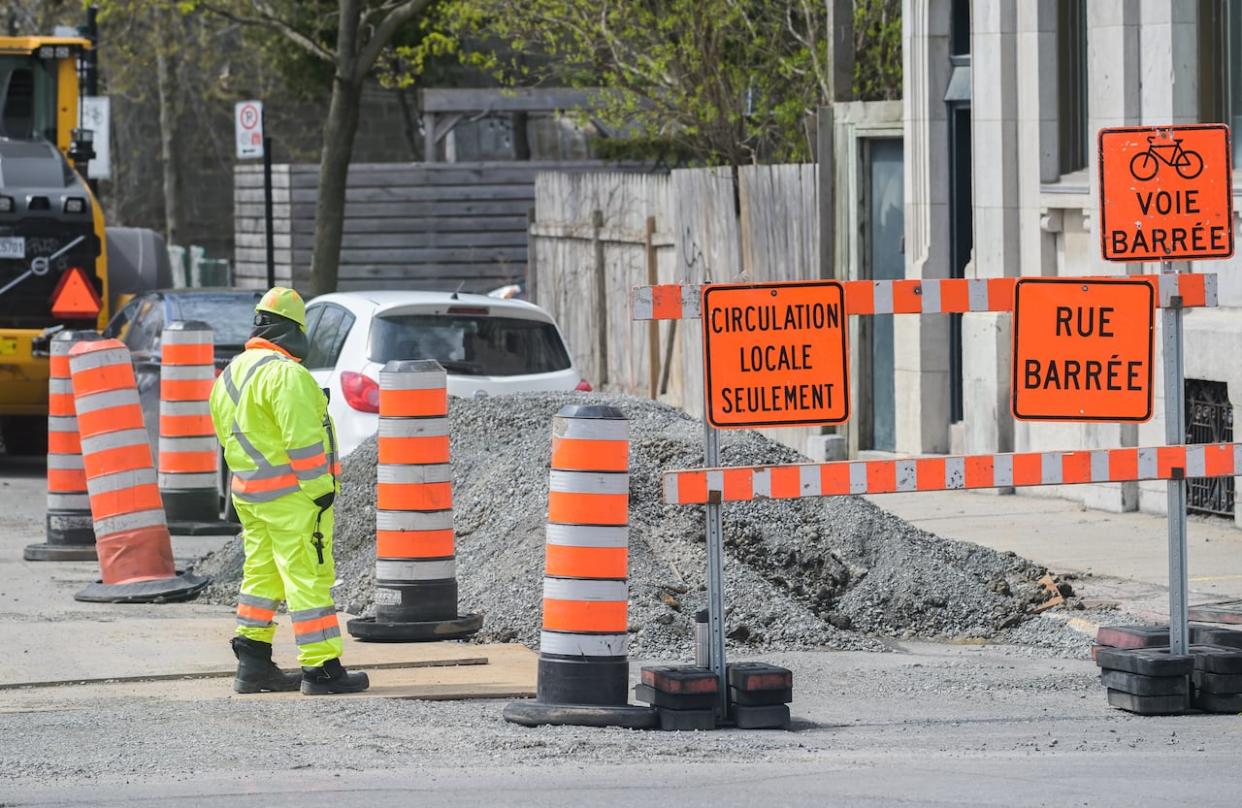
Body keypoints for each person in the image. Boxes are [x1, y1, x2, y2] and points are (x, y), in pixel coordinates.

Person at [209, 287, 369, 695]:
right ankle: (322, 670)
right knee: (307, 579)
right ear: (295, 330)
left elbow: (231, 440)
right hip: (293, 499)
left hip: (250, 496)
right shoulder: (287, 375)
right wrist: (321, 492)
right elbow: (303, 443)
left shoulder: (230, 374)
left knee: (261, 576)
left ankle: (253, 662)